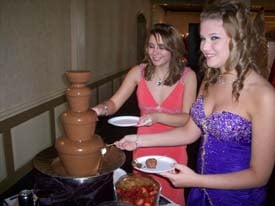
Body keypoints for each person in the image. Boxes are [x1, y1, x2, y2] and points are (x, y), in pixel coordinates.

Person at [115, 0, 275, 205]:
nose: (204, 47)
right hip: (200, 192)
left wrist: (196, 180)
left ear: (239, 40)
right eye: (202, 38)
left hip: (236, 198)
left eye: (214, 38)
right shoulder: (209, 80)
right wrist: (137, 141)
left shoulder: (264, 95)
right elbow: (190, 132)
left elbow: (259, 175)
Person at [92, 23, 197, 205]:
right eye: (151, 46)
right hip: (141, 148)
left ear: (174, 48)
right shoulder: (137, 72)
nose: (155, 52)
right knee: (142, 197)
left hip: (174, 149)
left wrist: (157, 117)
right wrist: (99, 109)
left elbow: (186, 119)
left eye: (162, 47)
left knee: (170, 199)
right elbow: (114, 103)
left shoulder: (188, 76)